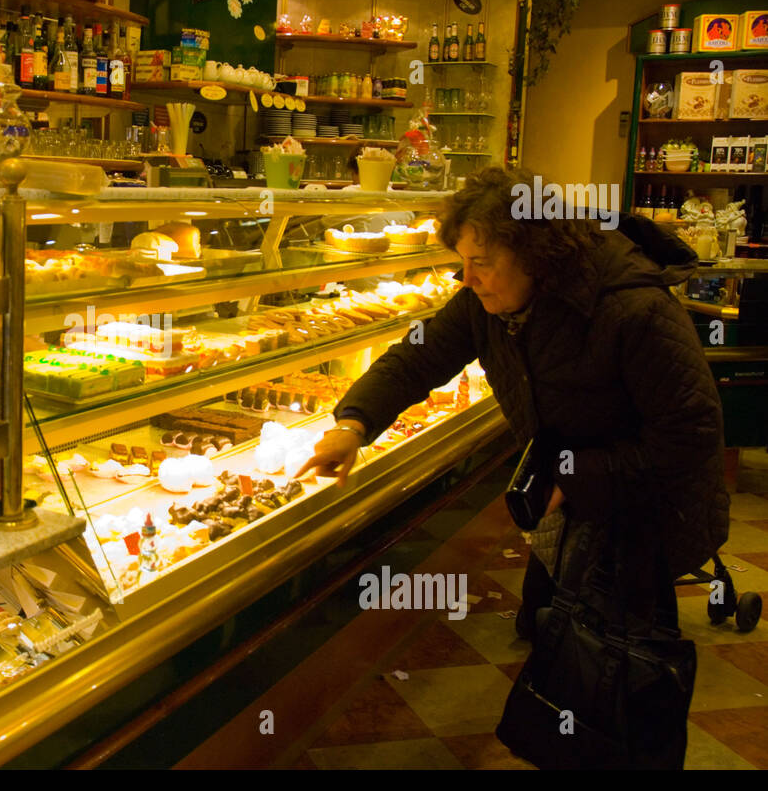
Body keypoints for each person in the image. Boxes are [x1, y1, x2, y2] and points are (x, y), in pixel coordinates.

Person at [299, 165, 730, 636]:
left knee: (619, 665)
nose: (467, 278)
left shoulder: (634, 309)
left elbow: (692, 433)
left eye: (480, 261)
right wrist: (353, 425)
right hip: (570, 499)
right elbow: (415, 360)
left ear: (534, 255)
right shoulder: (486, 303)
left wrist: (582, 474)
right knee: (546, 633)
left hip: (646, 512)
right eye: (461, 260)